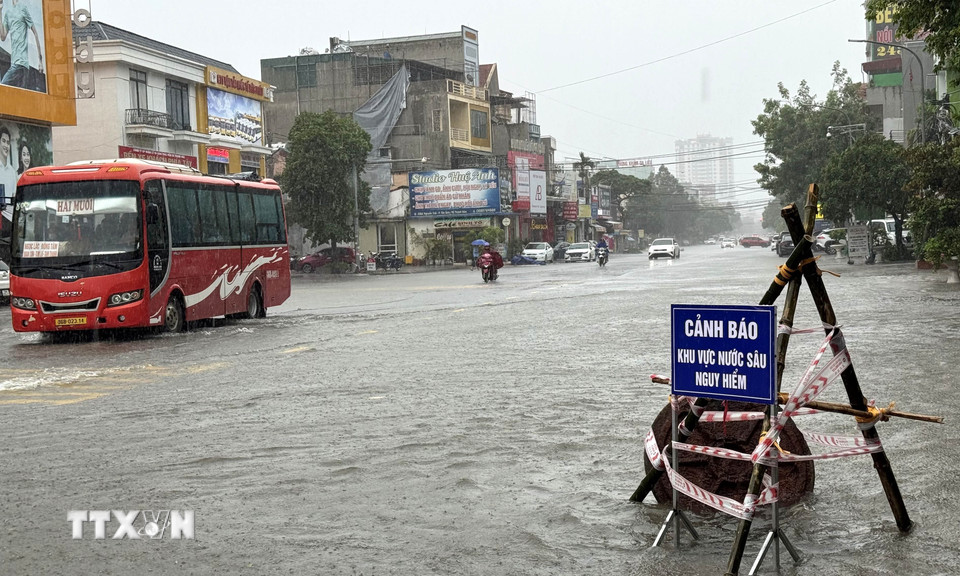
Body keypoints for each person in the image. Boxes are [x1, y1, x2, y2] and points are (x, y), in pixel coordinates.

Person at [0, 0, 44, 89]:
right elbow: (3, 36)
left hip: (21, 63)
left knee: (3, 89)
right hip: (15, 64)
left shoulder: (23, 9)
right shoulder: (8, 13)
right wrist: (0, 11)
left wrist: (40, 61)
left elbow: (35, 33)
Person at [0, 126, 17, 201]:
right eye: (3, 141)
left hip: (9, 212)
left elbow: (14, 195)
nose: (6, 146)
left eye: (8, 142)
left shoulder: (12, 172)